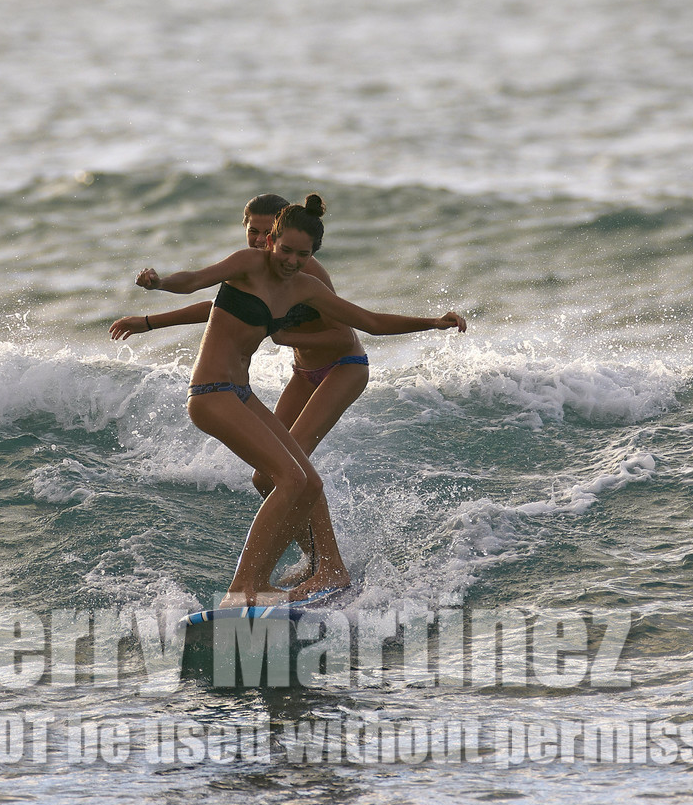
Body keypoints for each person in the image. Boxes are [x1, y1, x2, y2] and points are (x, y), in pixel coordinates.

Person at [134, 194, 466, 606]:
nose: (291, 259)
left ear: (313, 254)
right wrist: (160, 284)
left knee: (306, 480)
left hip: (241, 392)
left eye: (302, 254)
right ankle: (244, 589)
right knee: (289, 478)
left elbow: (370, 322)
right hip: (211, 392)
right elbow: (197, 281)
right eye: (285, 249)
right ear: (272, 240)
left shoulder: (304, 285)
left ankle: (280, 579)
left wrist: (433, 322)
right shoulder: (248, 263)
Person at [110, 193, 370, 583]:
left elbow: (343, 337)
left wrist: (281, 335)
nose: (259, 240)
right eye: (253, 231)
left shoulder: (302, 271)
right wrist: (150, 321)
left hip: (342, 368)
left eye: (268, 233)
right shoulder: (258, 267)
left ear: (281, 233)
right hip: (303, 373)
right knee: (267, 477)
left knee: (295, 470)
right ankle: (318, 559)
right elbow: (220, 304)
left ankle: (330, 566)